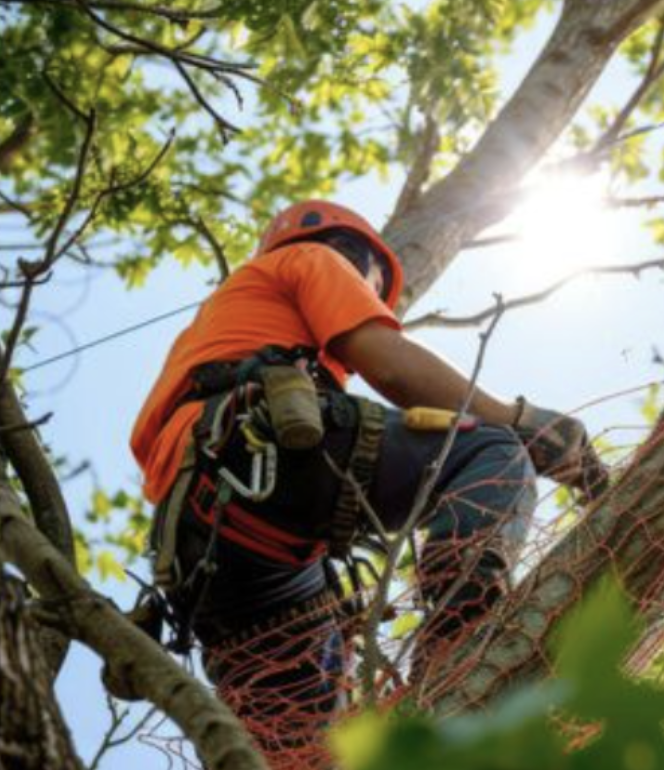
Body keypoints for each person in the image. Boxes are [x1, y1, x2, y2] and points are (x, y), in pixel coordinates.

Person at [130, 200, 608, 761]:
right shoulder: (313, 257)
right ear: (352, 254)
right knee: (487, 448)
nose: (371, 296)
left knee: (319, 743)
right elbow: (386, 361)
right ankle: (461, 620)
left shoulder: (219, 330)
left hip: (205, 550)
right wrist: (521, 421)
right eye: (373, 286)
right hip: (254, 455)